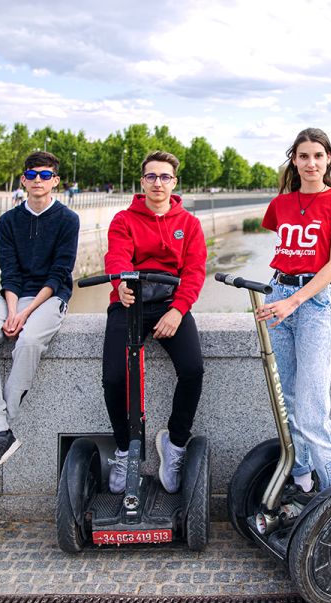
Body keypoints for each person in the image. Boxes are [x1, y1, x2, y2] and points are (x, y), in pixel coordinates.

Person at [254, 127, 331, 512]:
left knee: (313, 407)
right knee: (289, 398)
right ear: (294, 161)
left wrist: (295, 301)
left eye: (318, 155)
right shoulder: (281, 204)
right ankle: (301, 480)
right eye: (303, 156)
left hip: (314, 301)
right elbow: (284, 251)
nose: (311, 163)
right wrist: (278, 299)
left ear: (329, 159)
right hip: (277, 295)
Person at [0, 151, 80, 478]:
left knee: (29, 340)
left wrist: (27, 313)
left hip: (50, 297)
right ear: (23, 180)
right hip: (14, 296)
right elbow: (10, 273)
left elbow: (59, 274)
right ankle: (0, 432)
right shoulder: (8, 221)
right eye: (32, 175)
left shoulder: (67, 220)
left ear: (56, 181)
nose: (38, 181)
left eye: (46, 176)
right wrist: (13, 310)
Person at [101, 150, 206, 494]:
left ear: (175, 183)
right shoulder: (123, 219)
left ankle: (174, 444)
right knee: (114, 378)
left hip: (169, 304)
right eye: (151, 177)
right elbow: (116, 255)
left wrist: (178, 310)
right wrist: (121, 284)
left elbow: (194, 271)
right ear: (142, 181)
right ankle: (124, 451)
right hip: (129, 302)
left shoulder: (189, 224)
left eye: (164, 177)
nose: (157, 183)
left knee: (192, 370)